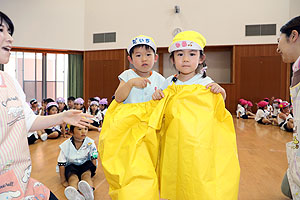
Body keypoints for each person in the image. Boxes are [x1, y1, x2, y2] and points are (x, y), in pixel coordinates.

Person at [0, 11, 92, 200]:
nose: (9, 38)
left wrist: (62, 117)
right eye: (1, 30)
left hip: (18, 180)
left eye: (10, 32)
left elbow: (27, 120)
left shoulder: (8, 80)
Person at [152, 31, 226, 101]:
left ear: (201, 59)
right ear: (173, 60)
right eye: (180, 54)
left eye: (192, 54)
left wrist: (221, 92)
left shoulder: (205, 83)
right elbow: (160, 100)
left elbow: (218, 102)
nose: (186, 59)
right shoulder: (169, 82)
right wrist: (157, 95)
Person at [277, 16, 300, 199]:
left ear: (293, 36)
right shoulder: (296, 69)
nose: (278, 48)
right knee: (288, 187)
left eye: (279, 41)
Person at [114, 35, 165, 104]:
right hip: (130, 114)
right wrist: (130, 83)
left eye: (148, 54)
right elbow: (118, 98)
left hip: (152, 114)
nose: (144, 59)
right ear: (130, 59)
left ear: (155, 58)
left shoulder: (160, 79)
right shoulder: (127, 75)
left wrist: (160, 95)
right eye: (138, 55)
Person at [58, 125, 98, 200]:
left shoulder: (90, 142)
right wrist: (63, 180)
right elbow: (61, 164)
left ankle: (89, 192)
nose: (83, 131)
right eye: (80, 129)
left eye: (86, 129)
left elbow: (94, 157)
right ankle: (75, 194)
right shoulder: (65, 145)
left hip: (85, 164)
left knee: (86, 176)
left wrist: (93, 171)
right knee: (73, 178)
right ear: (71, 132)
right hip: (71, 166)